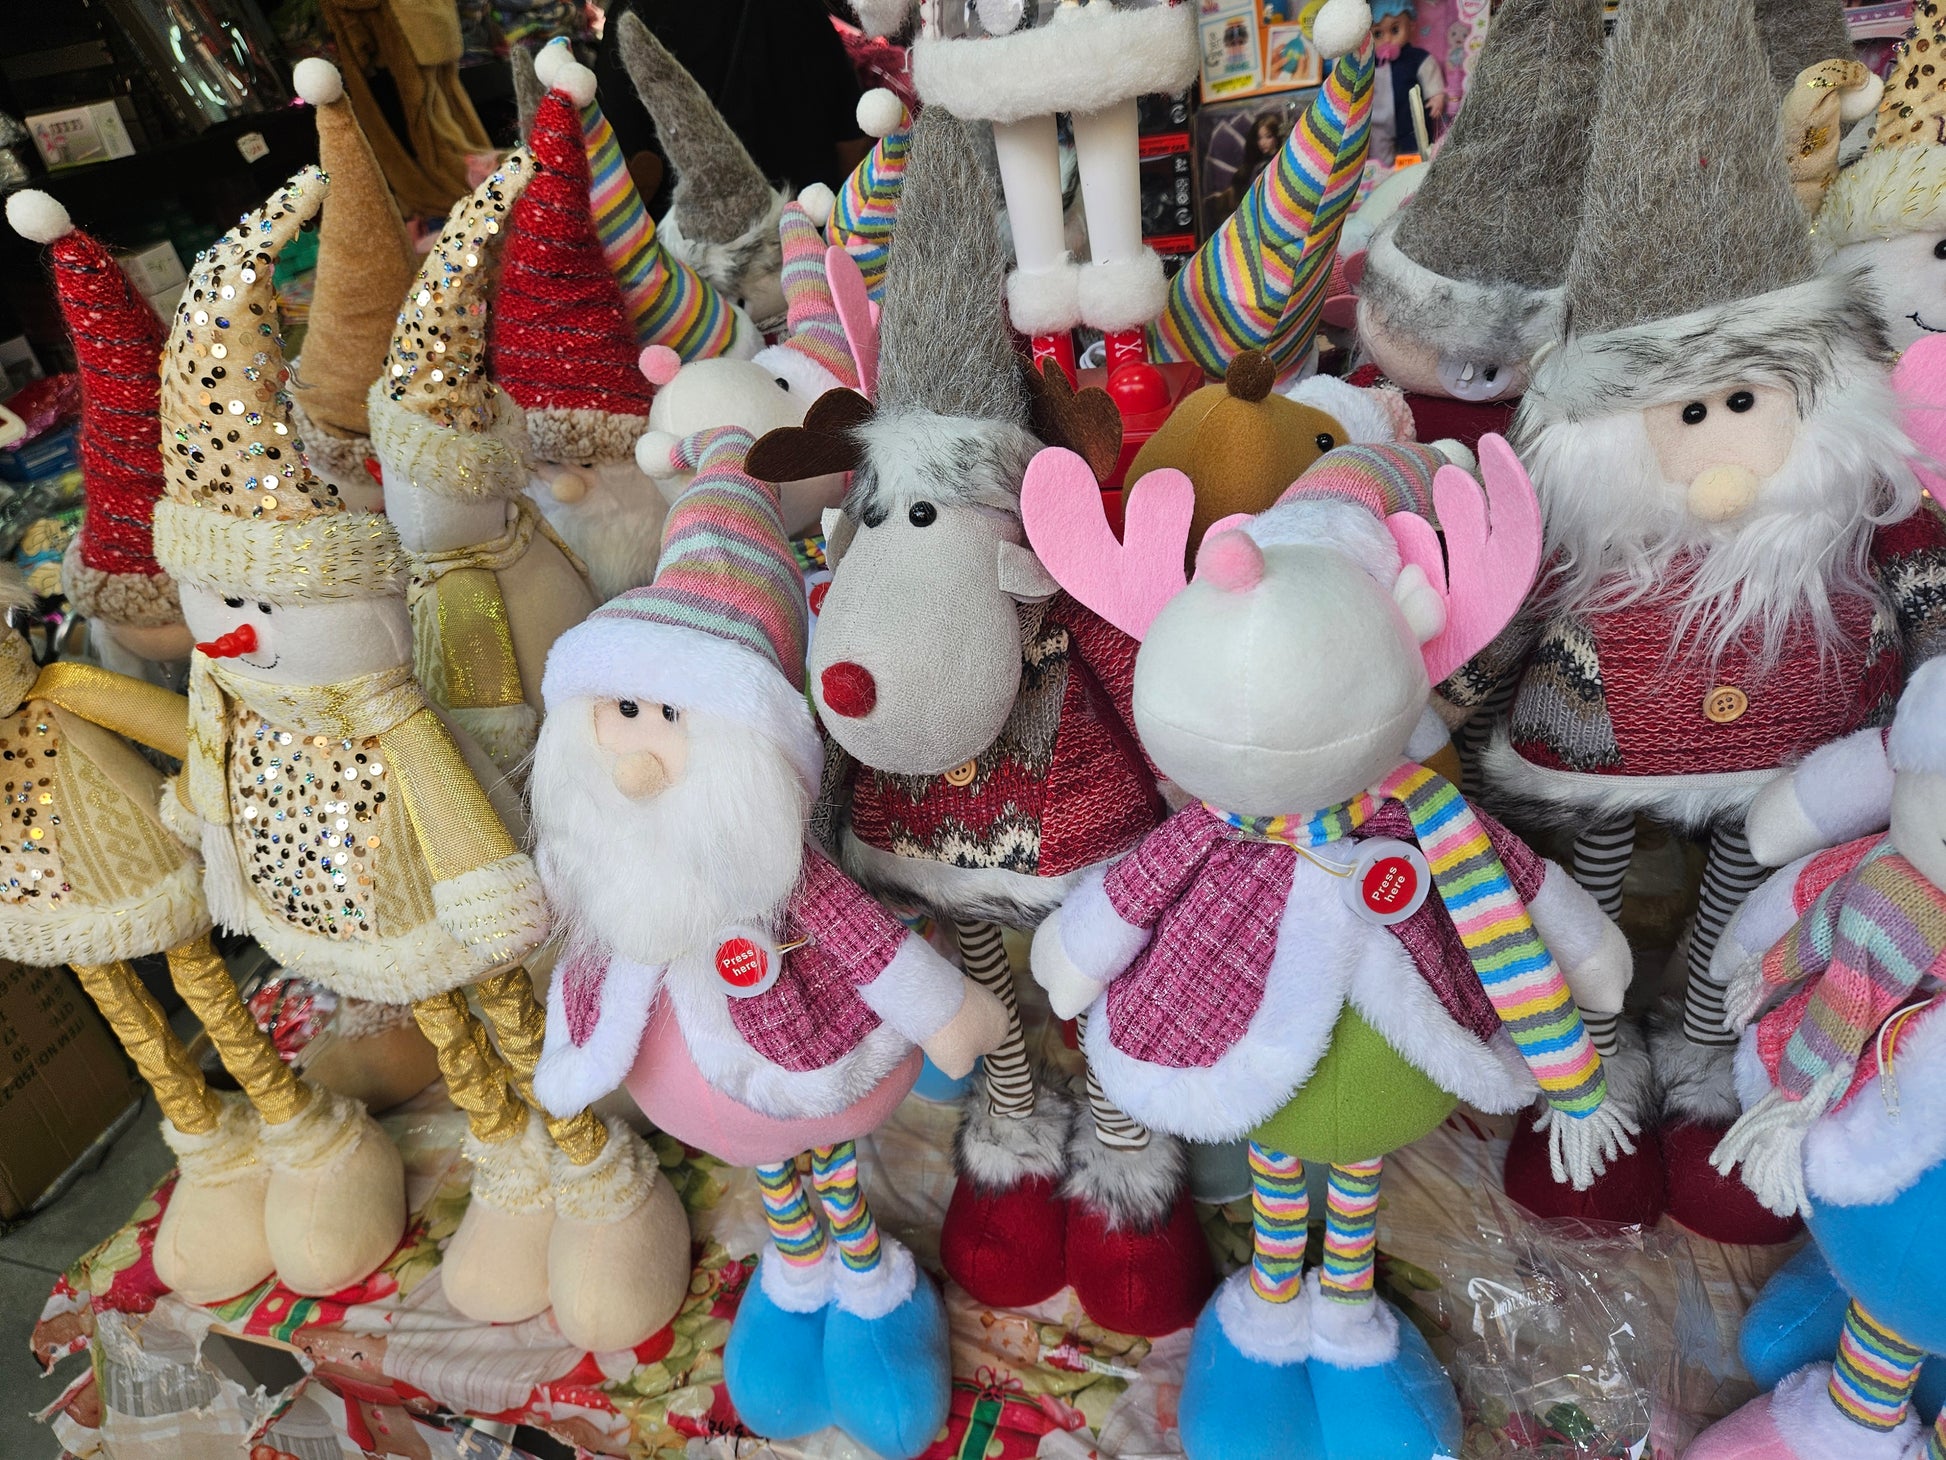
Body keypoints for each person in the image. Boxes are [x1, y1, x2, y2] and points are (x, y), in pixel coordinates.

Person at [592, 0, 867, 213]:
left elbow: (619, 164)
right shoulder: (803, 9)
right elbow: (852, 143)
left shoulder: (633, 14)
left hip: (692, 255)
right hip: (805, 241)